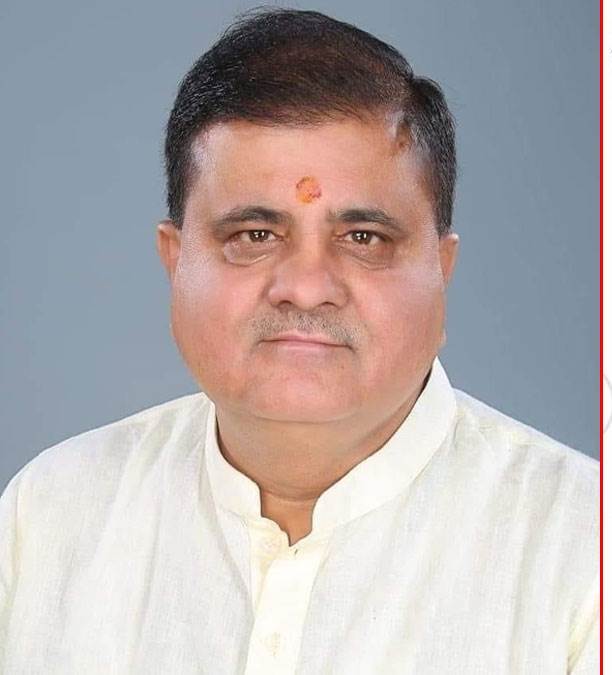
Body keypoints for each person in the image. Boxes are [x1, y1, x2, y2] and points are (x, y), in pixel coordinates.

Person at [0, 7, 598, 673]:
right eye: (255, 235)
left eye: (364, 238)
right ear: (175, 259)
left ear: (442, 267)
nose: (307, 288)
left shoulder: (581, 550)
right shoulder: (50, 516)